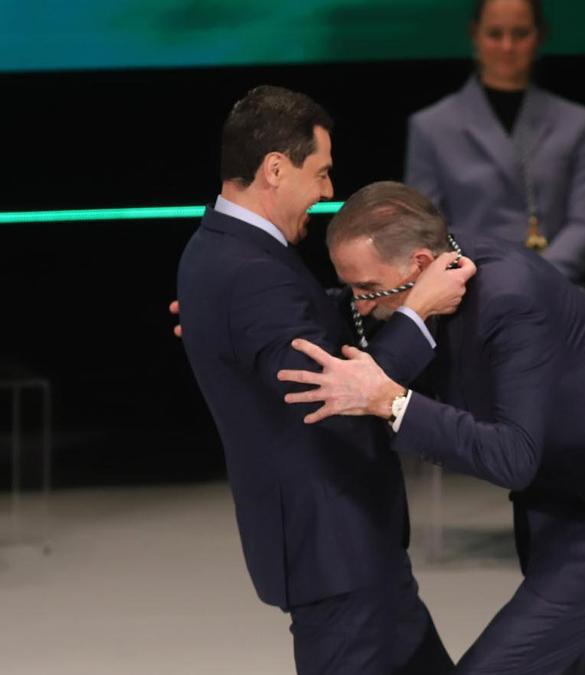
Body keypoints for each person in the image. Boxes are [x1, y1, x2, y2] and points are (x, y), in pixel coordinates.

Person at [277, 181, 585, 675]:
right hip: (561, 497)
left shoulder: (511, 301)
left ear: (422, 265)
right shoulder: (430, 267)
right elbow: (338, 303)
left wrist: (393, 404)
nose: (360, 307)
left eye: (369, 290)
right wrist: (237, 317)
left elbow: (512, 457)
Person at [176, 86, 470, 673]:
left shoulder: (224, 251)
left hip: (346, 549)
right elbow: (333, 392)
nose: (329, 191)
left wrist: (372, 299)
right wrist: (419, 310)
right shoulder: (247, 272)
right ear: (276, 169)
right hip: (336, 552)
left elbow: (298, 320)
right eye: (322, 172)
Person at [404, 0, 585, 283]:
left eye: (520, 34)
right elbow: (424, 230)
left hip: (556, 286)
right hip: (471, 291)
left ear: (539, 36)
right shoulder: (431, 127)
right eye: (495, 34)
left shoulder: (575, 121)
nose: (507, 47)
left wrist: (539, 275)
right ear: (475, 35)